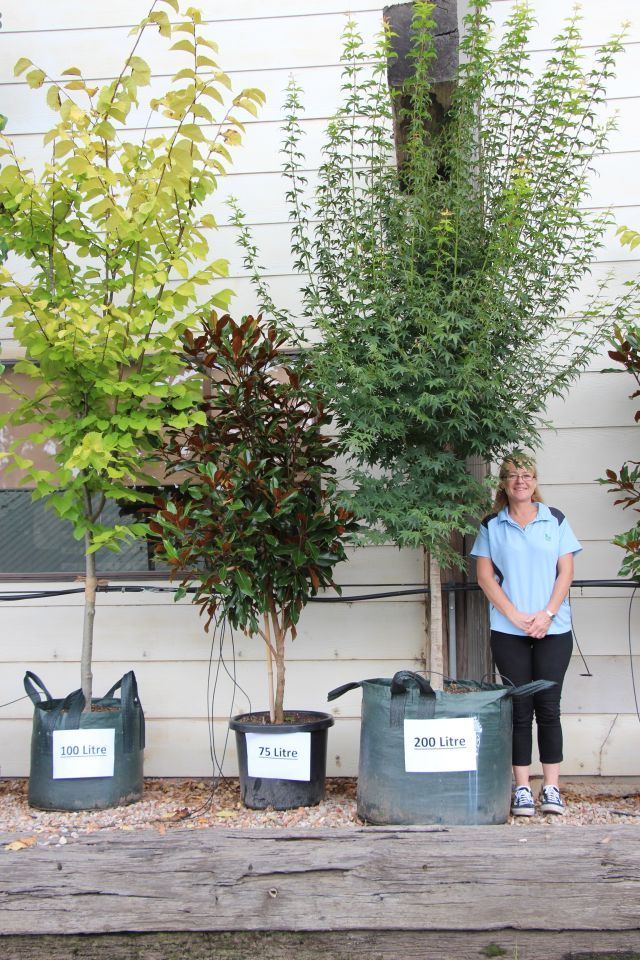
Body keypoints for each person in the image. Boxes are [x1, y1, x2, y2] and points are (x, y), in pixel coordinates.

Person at [470, 454, 582, 816]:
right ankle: (522, 788)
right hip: (509, 630)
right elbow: (485, 577)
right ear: (503, 483)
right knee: (520, 709)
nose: (521, 481)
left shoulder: (556, 519)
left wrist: (547, 614)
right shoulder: (491, 525)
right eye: (513, 476)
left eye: (527, 475)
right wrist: (516, 616)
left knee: (548, 708)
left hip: (554, 628)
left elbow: (565, 571)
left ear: (535, 481)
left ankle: (551, 788)